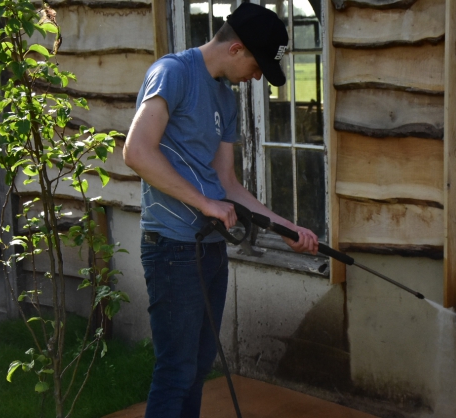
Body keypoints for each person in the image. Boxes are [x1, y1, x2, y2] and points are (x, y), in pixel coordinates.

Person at [123, 3, 319, 417]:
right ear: (236, 49)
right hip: (172, 250)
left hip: (210, 250)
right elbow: (137, 151)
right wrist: (204, 203)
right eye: (258, 65)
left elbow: (227, 185)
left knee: (197, 368)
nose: (257, 77)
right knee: (175, 371)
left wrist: (284, 227)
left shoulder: (226, 100)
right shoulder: (173, 73)